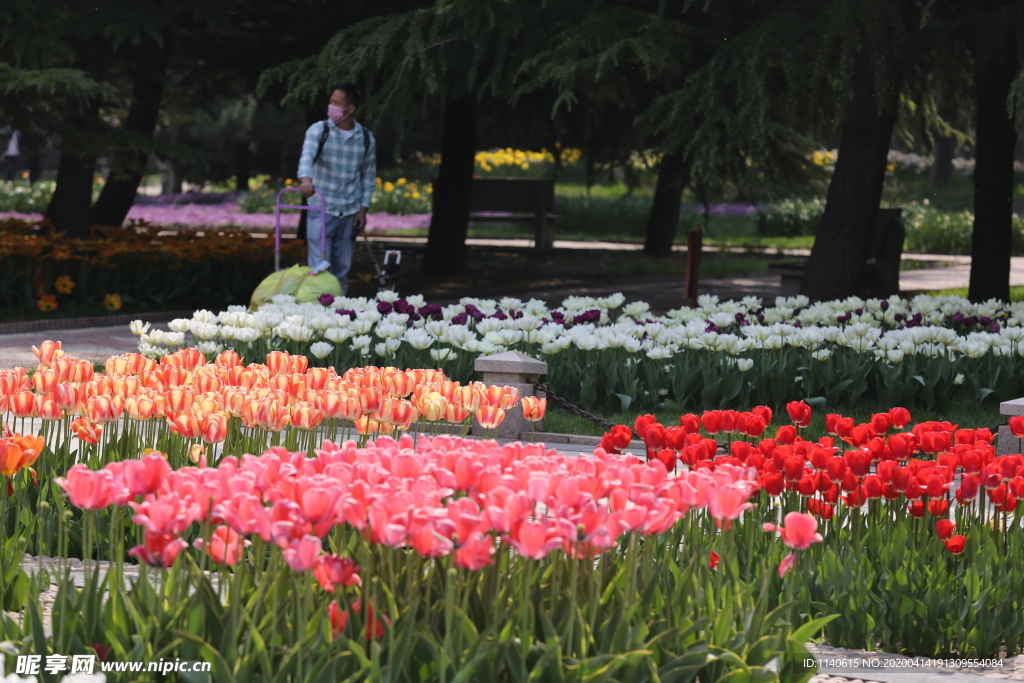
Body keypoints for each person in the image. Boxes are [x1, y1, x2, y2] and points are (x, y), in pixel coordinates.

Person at [297, 83, 376, 293]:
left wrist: (363, 209)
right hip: (321, 209)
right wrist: (306, 180)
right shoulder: (319, 130)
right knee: (319, 268)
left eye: (336, 103)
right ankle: (317, 314)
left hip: (349, 212)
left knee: (342, 269)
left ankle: (338, 315)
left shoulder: (366, 139)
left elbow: (368, 176)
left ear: (350, 109)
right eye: (330, 102)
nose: (331, 106)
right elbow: (307, 156)